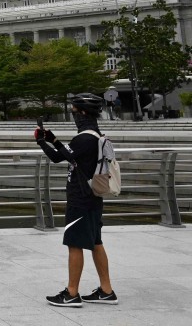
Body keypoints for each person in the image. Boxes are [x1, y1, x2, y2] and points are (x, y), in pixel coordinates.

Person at [35, 94, 118, 308]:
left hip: (80, 199)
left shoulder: (83, 139)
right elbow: (71, 155)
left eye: (73, 111)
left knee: (74, 244)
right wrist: (53, 139)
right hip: (94, 197)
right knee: (96, 242)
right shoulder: (96, 135)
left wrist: (40, 142)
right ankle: (106, 290)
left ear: (82, 113)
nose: (73, 116)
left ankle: (71, 293)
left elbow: (56, 158)